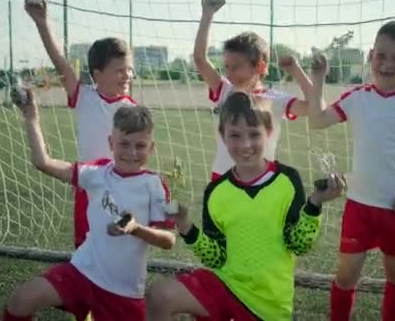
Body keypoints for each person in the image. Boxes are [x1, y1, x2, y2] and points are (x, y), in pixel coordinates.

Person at [146, 92, 346, 320]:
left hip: (268, 305)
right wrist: (187, 228)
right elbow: (216, 258)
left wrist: (315, 204)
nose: (245, 144)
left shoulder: (287, 180)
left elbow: (298, 245)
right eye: (235, 135)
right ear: (223, 136)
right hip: (226, 285)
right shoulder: (216, 191)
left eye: (254, 134)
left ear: (268, 133)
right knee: (159, 295)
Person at [0, 90, 175, 321]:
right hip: (82, 272)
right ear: (111, 143)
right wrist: (32, 118)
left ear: (151, 148)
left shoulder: (154, 185)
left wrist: (136, 229)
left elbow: (169, 240)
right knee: (22, 299)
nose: (132, 152)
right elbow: (43, 162)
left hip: (122, 291)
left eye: (140, 146)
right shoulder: (96, 174)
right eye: (124, 144)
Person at [305, 20, 395, 321]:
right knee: (345, 276)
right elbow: (317, 120)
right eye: (381, 55)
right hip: (360, 206)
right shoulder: (358, 97)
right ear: (370, 55)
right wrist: (318, 78)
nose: (387, 64)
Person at [25, 0, 137, 249]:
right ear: (97, 74)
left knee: (119, 247)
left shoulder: (132, 110)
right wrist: (42, 22)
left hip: (120, 188)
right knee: (86, 248)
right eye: (120, 70)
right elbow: (60, 62)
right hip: (88, 186)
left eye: (129, 70)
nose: (127, 75)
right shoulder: (84, 97)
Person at [192, 0, 315, 180]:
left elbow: (314, 108)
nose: (229, 73)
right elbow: (200, 59)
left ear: (260, 66)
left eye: (236, 67)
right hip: (223, 178)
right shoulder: (224, 90)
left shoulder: (275, 99)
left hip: (263, 181)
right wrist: (207, 14)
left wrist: (298, 72)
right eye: (226, 67)